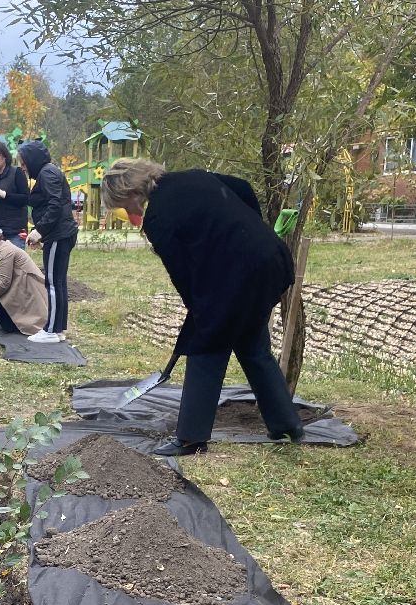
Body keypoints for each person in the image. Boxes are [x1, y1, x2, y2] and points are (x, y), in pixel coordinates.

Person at [100, 157, 304, 456]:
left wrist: (199, 317)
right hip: (270, 258)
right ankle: (287, 426)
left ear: (130, 192)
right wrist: (249, 231)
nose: (126, 210)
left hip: (238, 272)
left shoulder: (158, 218)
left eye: (120, 203)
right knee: (251, 343)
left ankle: (191, 438)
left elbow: (185, 276)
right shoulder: (193, 175)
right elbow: (243, 188)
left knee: (206, 345)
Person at [16, 139, 77, 343]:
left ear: (32, 159)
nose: (23, 167)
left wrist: (39, 230)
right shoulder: (49, 171)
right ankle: (57, 329)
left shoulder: (47, 173)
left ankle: (50, 329)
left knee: (52, 282)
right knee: (58, 282)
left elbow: (55, 205)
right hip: (61, 233)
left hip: (58, 234)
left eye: (24, 162)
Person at [0, 227, 47, 336]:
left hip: (28, 292)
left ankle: (13, 325)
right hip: (24, 288)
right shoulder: (4, 248)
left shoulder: (5, 252)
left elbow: (4, 283)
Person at [0, 139, 30, 248]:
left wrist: (4, 195)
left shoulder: (17, 173)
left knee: (15, 264)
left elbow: (25, 199)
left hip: (15, 232)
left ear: (4, 156)